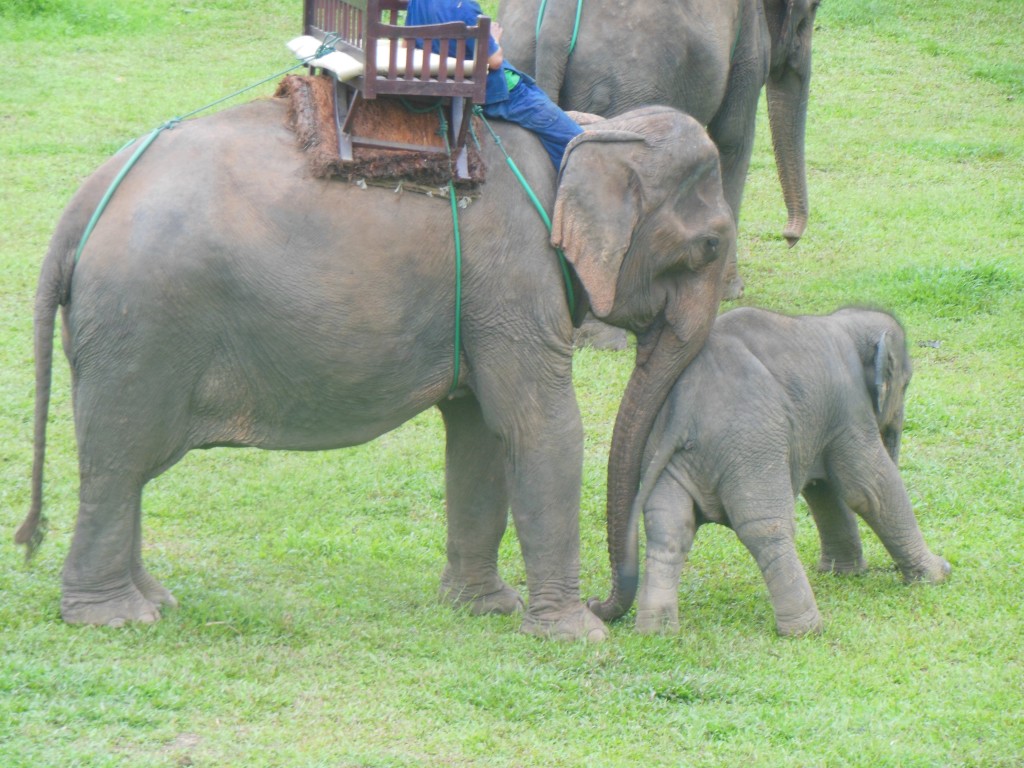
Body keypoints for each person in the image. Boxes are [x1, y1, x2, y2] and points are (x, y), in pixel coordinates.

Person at [405, 0, 583, 169]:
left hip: (444, 84)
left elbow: (406, 44)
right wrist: (494, 37)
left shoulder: (418, 2)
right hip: (494, 93)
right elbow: (495, 60)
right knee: (572, 137)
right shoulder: (466, 8)